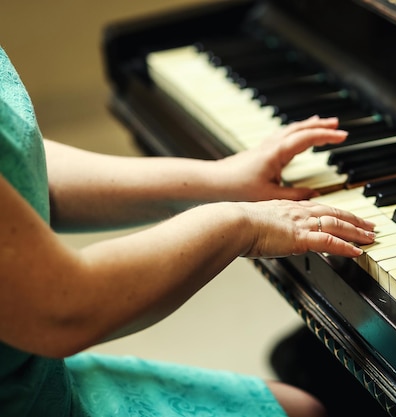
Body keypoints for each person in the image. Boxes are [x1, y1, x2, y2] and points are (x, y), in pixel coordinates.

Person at [0, 44, 376, 417]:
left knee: (303, 404)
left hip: (33, 375)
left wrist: (218, 178)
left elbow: (20, 162)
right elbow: (64, 309)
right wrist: (240, 225)